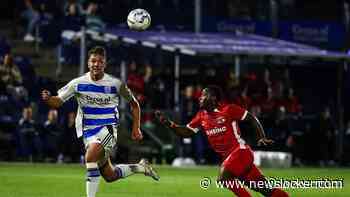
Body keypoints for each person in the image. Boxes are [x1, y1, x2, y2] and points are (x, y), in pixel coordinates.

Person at [41, 46, 159, 197]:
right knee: (110, 175)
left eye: (100, 61)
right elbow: (58, 102)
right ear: (88, 63)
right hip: (88, 132)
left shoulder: (115, 84)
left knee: (90, 157)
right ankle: (141, 167)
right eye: (93, 61)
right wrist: (48, 99)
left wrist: (136, 128)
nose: (96, 64)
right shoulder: (78, 83)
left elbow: (134, 104)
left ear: (105, 64)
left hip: (108, 129)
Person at [155, 86, 288, 197]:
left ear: (213, 98)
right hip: (231, 159)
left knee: (223, 178)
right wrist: (169, 124)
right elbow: (186, 132)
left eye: (203, 95)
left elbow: (252, 118)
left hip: (241, 152)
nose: (200, 98)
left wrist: (261, 137)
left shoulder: (228, 110)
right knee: (266, 190)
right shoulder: (201, 116)